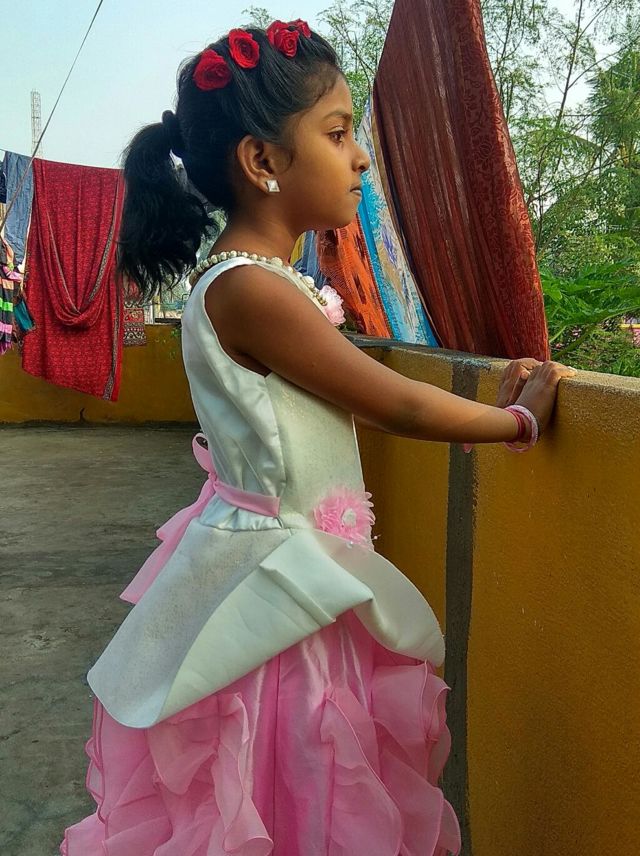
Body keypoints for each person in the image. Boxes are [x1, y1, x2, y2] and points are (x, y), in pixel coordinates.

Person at [60, 19, 574, 856]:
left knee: (306, 778)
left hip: (298, 576)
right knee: (292, 775)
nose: (361, 157)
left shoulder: (263, 283)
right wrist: (516, 420)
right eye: (338, 133)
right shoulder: (252, 291)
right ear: (262, 160)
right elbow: (397, 404)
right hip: (276, 596)